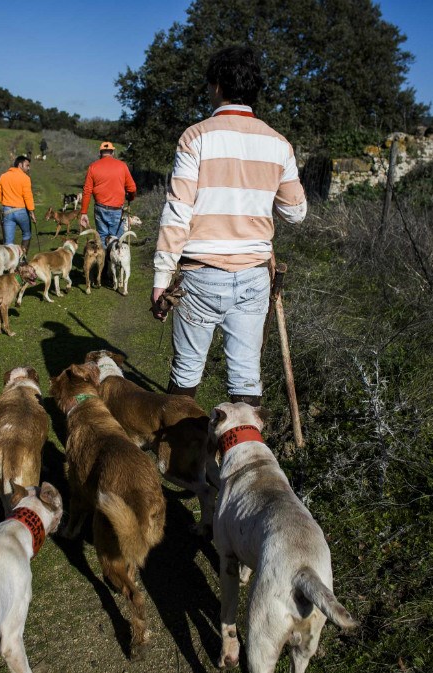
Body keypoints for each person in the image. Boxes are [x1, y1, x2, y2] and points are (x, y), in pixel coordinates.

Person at [150, 45, 307, 407]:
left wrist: (161, 280)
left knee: (186, 374)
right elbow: (296, 213)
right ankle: (245, 459)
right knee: (245, 378)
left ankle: (179, 458)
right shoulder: (279, 145)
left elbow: (177, 213)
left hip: (200, 274)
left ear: (217, 86)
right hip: (254, 275)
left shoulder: (195, 137)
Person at [78, 141, 137, 247]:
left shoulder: (93, 167)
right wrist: (130, 197)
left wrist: (84, 212)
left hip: (100, 208)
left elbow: (87, 191)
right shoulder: (122, 166)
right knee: (117, 240)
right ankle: (114, 261)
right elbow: (132, 188)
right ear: (113, 152)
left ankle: (104, 262)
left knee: (102, 238)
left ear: (100, 153)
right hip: (116, 209)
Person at [0, 155, 37, 256]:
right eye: (27, 165)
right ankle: (23, 259)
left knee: (8, 242)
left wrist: (6, 203)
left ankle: (8, 264)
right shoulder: (25, 178)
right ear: (20, 165)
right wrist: (31, 212)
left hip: (7, 211)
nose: (28, 168)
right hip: (21, 211)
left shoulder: (3, 176)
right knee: (26, 234)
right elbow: (28, 196)